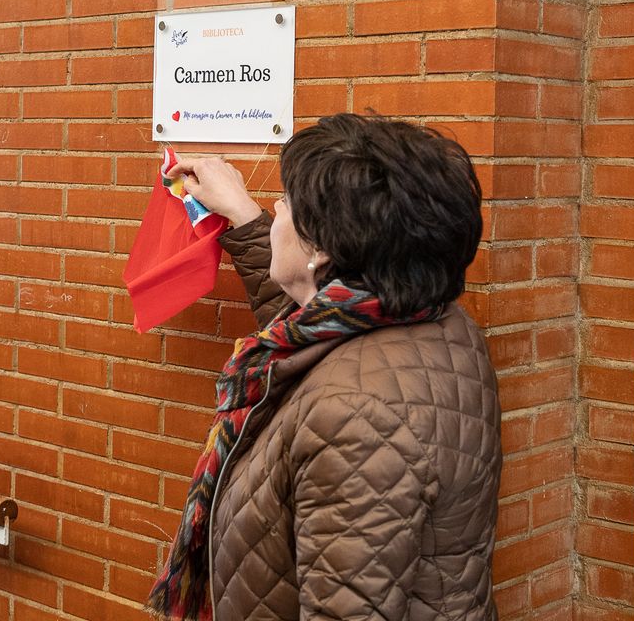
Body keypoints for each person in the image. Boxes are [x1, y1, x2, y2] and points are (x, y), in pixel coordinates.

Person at [148, 114, 502, 621]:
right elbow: (316, 341)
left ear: (321, 248)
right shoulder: (429, 325)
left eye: (287, 203)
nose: (276, 207)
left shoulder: (356, 418)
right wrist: (246, 219)